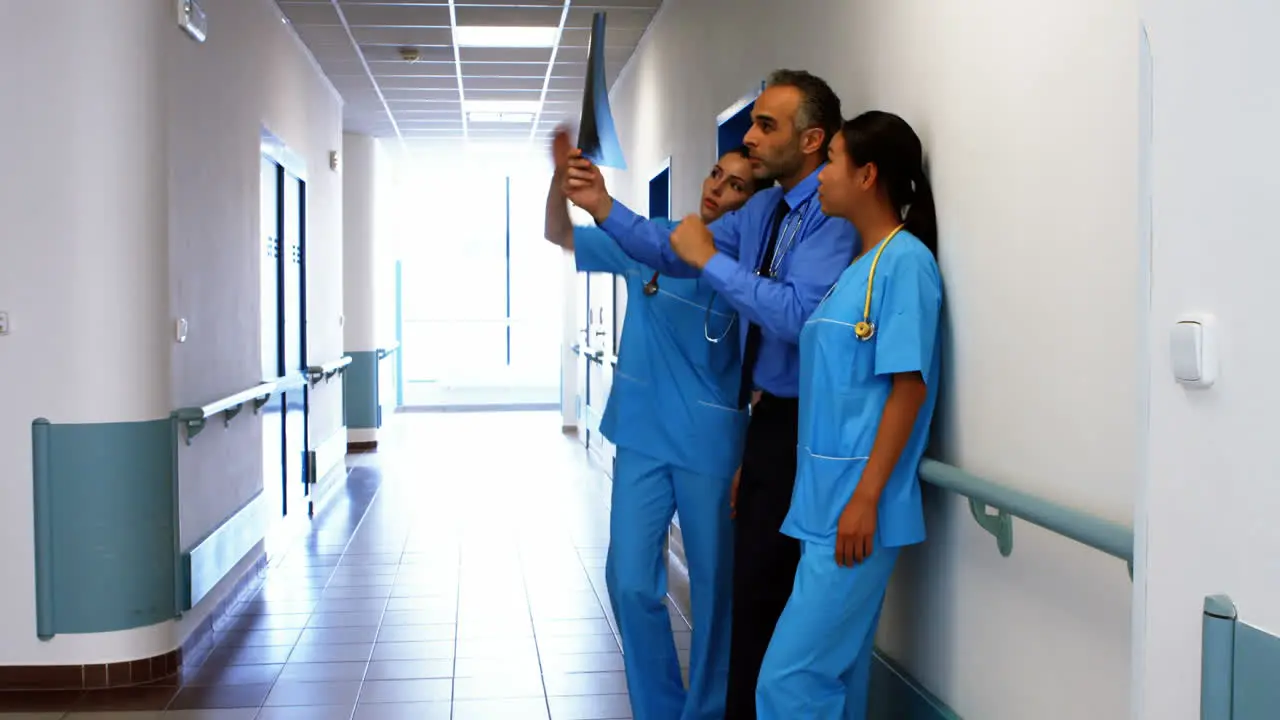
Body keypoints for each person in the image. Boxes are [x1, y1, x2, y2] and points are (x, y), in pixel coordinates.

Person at [561, 69, 858, 720]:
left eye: (764, 126)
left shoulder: (830, 221)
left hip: (804, 428)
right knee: (703, 586)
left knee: (752, 596)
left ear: (811, 140)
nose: (749, 138)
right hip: (759, 425)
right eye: (749, 123)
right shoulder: (760, 214)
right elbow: (672, 249)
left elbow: (795, 317)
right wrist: (605, 207)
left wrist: (709, 261)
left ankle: (716, 711)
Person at [544, 127, 771, 720]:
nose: (719, 189)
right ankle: (659, 707)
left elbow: (770, 360)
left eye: (739, 186)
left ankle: (707, 712)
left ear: (757, 206)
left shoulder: (748, 270)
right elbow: (559, 234)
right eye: (717, 176)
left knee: (715, 596)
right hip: (642, 436)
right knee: (628, 579)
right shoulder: (654, 239)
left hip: (714, 448)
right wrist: (560, 180)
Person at [753, 111, 942, 719]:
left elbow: (907, 389)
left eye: (831, 160)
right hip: (826, 505)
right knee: (835, 678)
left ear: (867, 175)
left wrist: (865, 498)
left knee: (788, 682)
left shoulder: (904, 262)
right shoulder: (857, 269)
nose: (821, 174)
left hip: (856, 509)